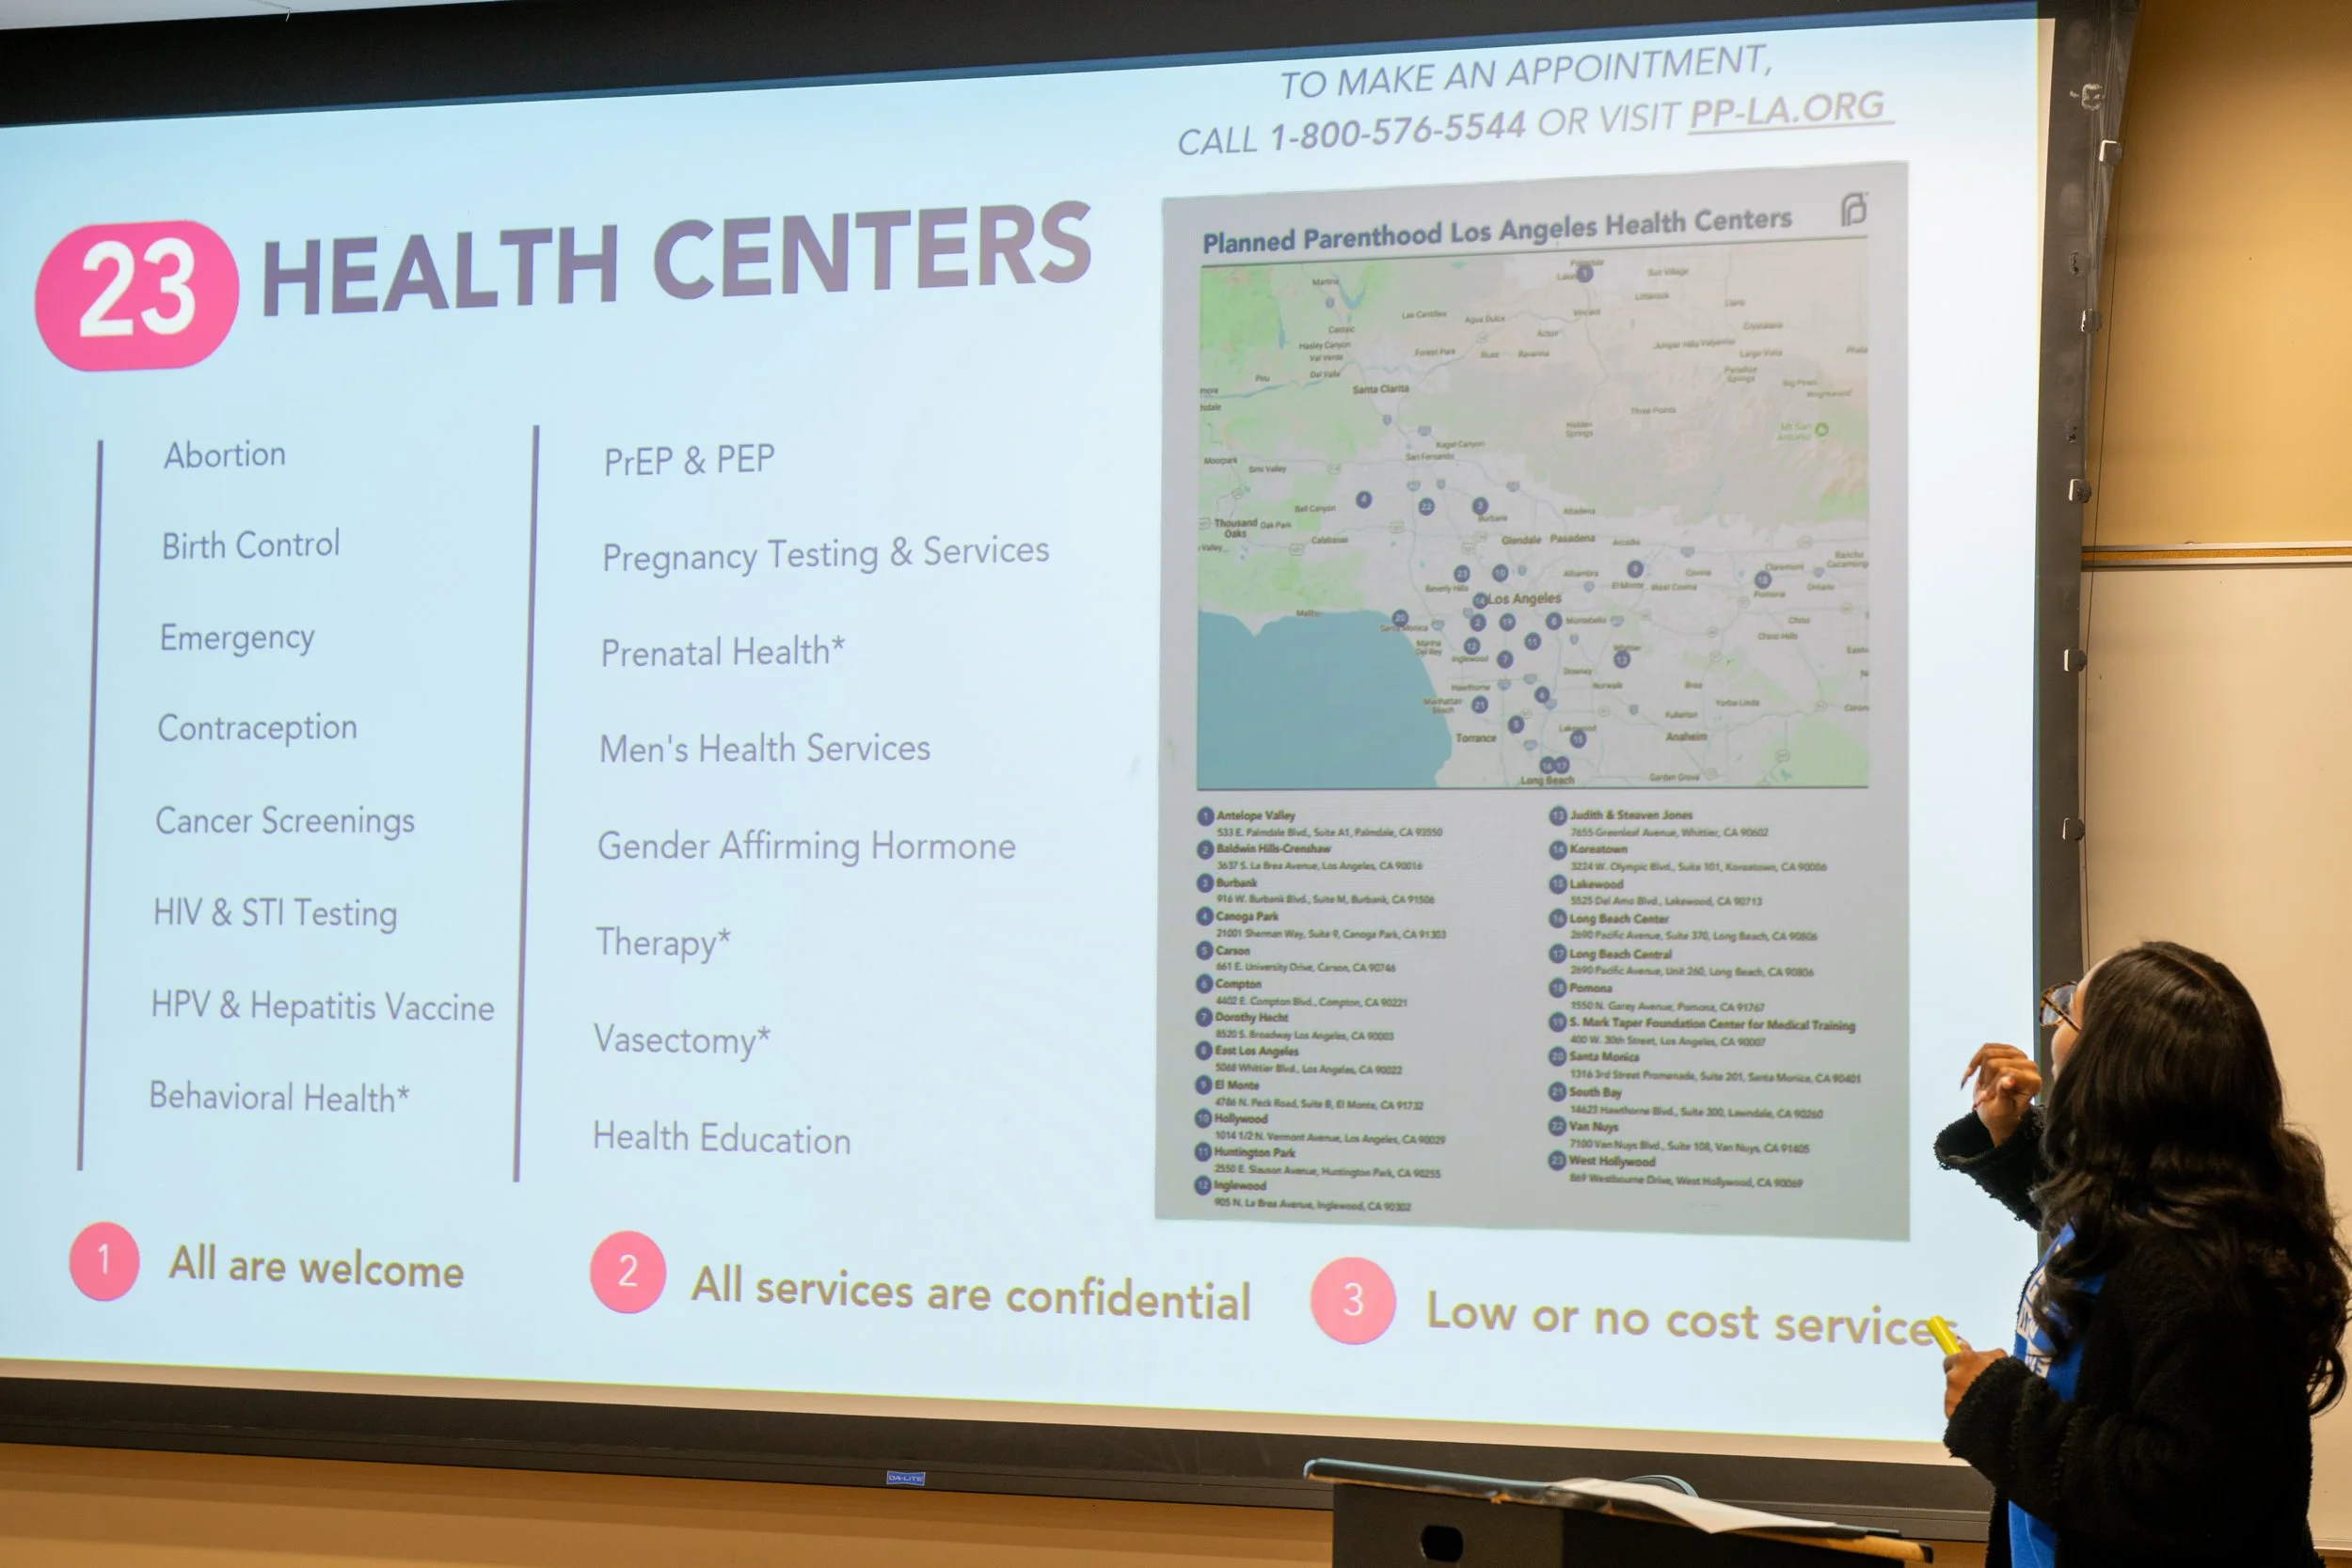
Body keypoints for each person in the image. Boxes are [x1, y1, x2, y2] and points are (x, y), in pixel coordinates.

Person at [1934, 942, 2349, 1567]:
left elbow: (2183, 1496)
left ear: (2114, 1067)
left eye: (2069, 1013)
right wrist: (2013, 1138)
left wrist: (1998, 1410)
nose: (2052, 1029)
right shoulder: (2163, 1198)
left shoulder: (2203, 1266)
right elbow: (2108, 1255)